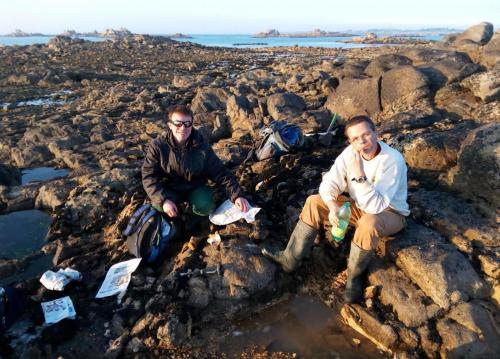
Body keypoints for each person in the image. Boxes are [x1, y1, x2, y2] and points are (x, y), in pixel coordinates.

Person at [262, 115, 409, 303]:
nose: (362, 141)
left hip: (390, 213)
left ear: (376, 133)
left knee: (368, 222)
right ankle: (290, 259)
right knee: (314, 201)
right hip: (360, 205)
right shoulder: (350, 154)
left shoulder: (392, 160)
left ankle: (354, 280)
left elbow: (376, 206)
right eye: (355, 138)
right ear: (350, 141)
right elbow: (330, 182)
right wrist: (332, 206)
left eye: (366, 134)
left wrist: (358, 175)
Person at [142, 105, 249, 223]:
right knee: (158, 206)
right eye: (178, 124)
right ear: (170, 125)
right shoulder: (158, 146)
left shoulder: (201, 145)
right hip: (169, 188)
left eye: (187, 124)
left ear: (192, 124)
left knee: (206, 206)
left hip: (195, 186)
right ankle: (174, 220)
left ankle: (191, 219)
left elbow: (219, 172)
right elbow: (149, 176)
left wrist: (236, 195)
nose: (183, 128)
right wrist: (163, 200)